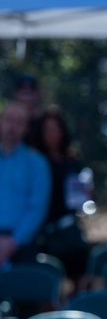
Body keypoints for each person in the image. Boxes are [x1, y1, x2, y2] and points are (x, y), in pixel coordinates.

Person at [27, 107, 93, 285]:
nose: (52, 134)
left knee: (79, 277)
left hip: (69, 232)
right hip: (43, 233)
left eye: (55, 129)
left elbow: (84, 197)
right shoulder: (35, 161)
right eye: (47, 130)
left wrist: (87, 194)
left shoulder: (72, 161)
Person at [0, 100, 51, 267]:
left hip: (22, 248)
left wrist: (12, 242)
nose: (12, 127)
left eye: (19, 122)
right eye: (8, 120)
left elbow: (37, 208)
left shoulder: (37, 163)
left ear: (26, 128)